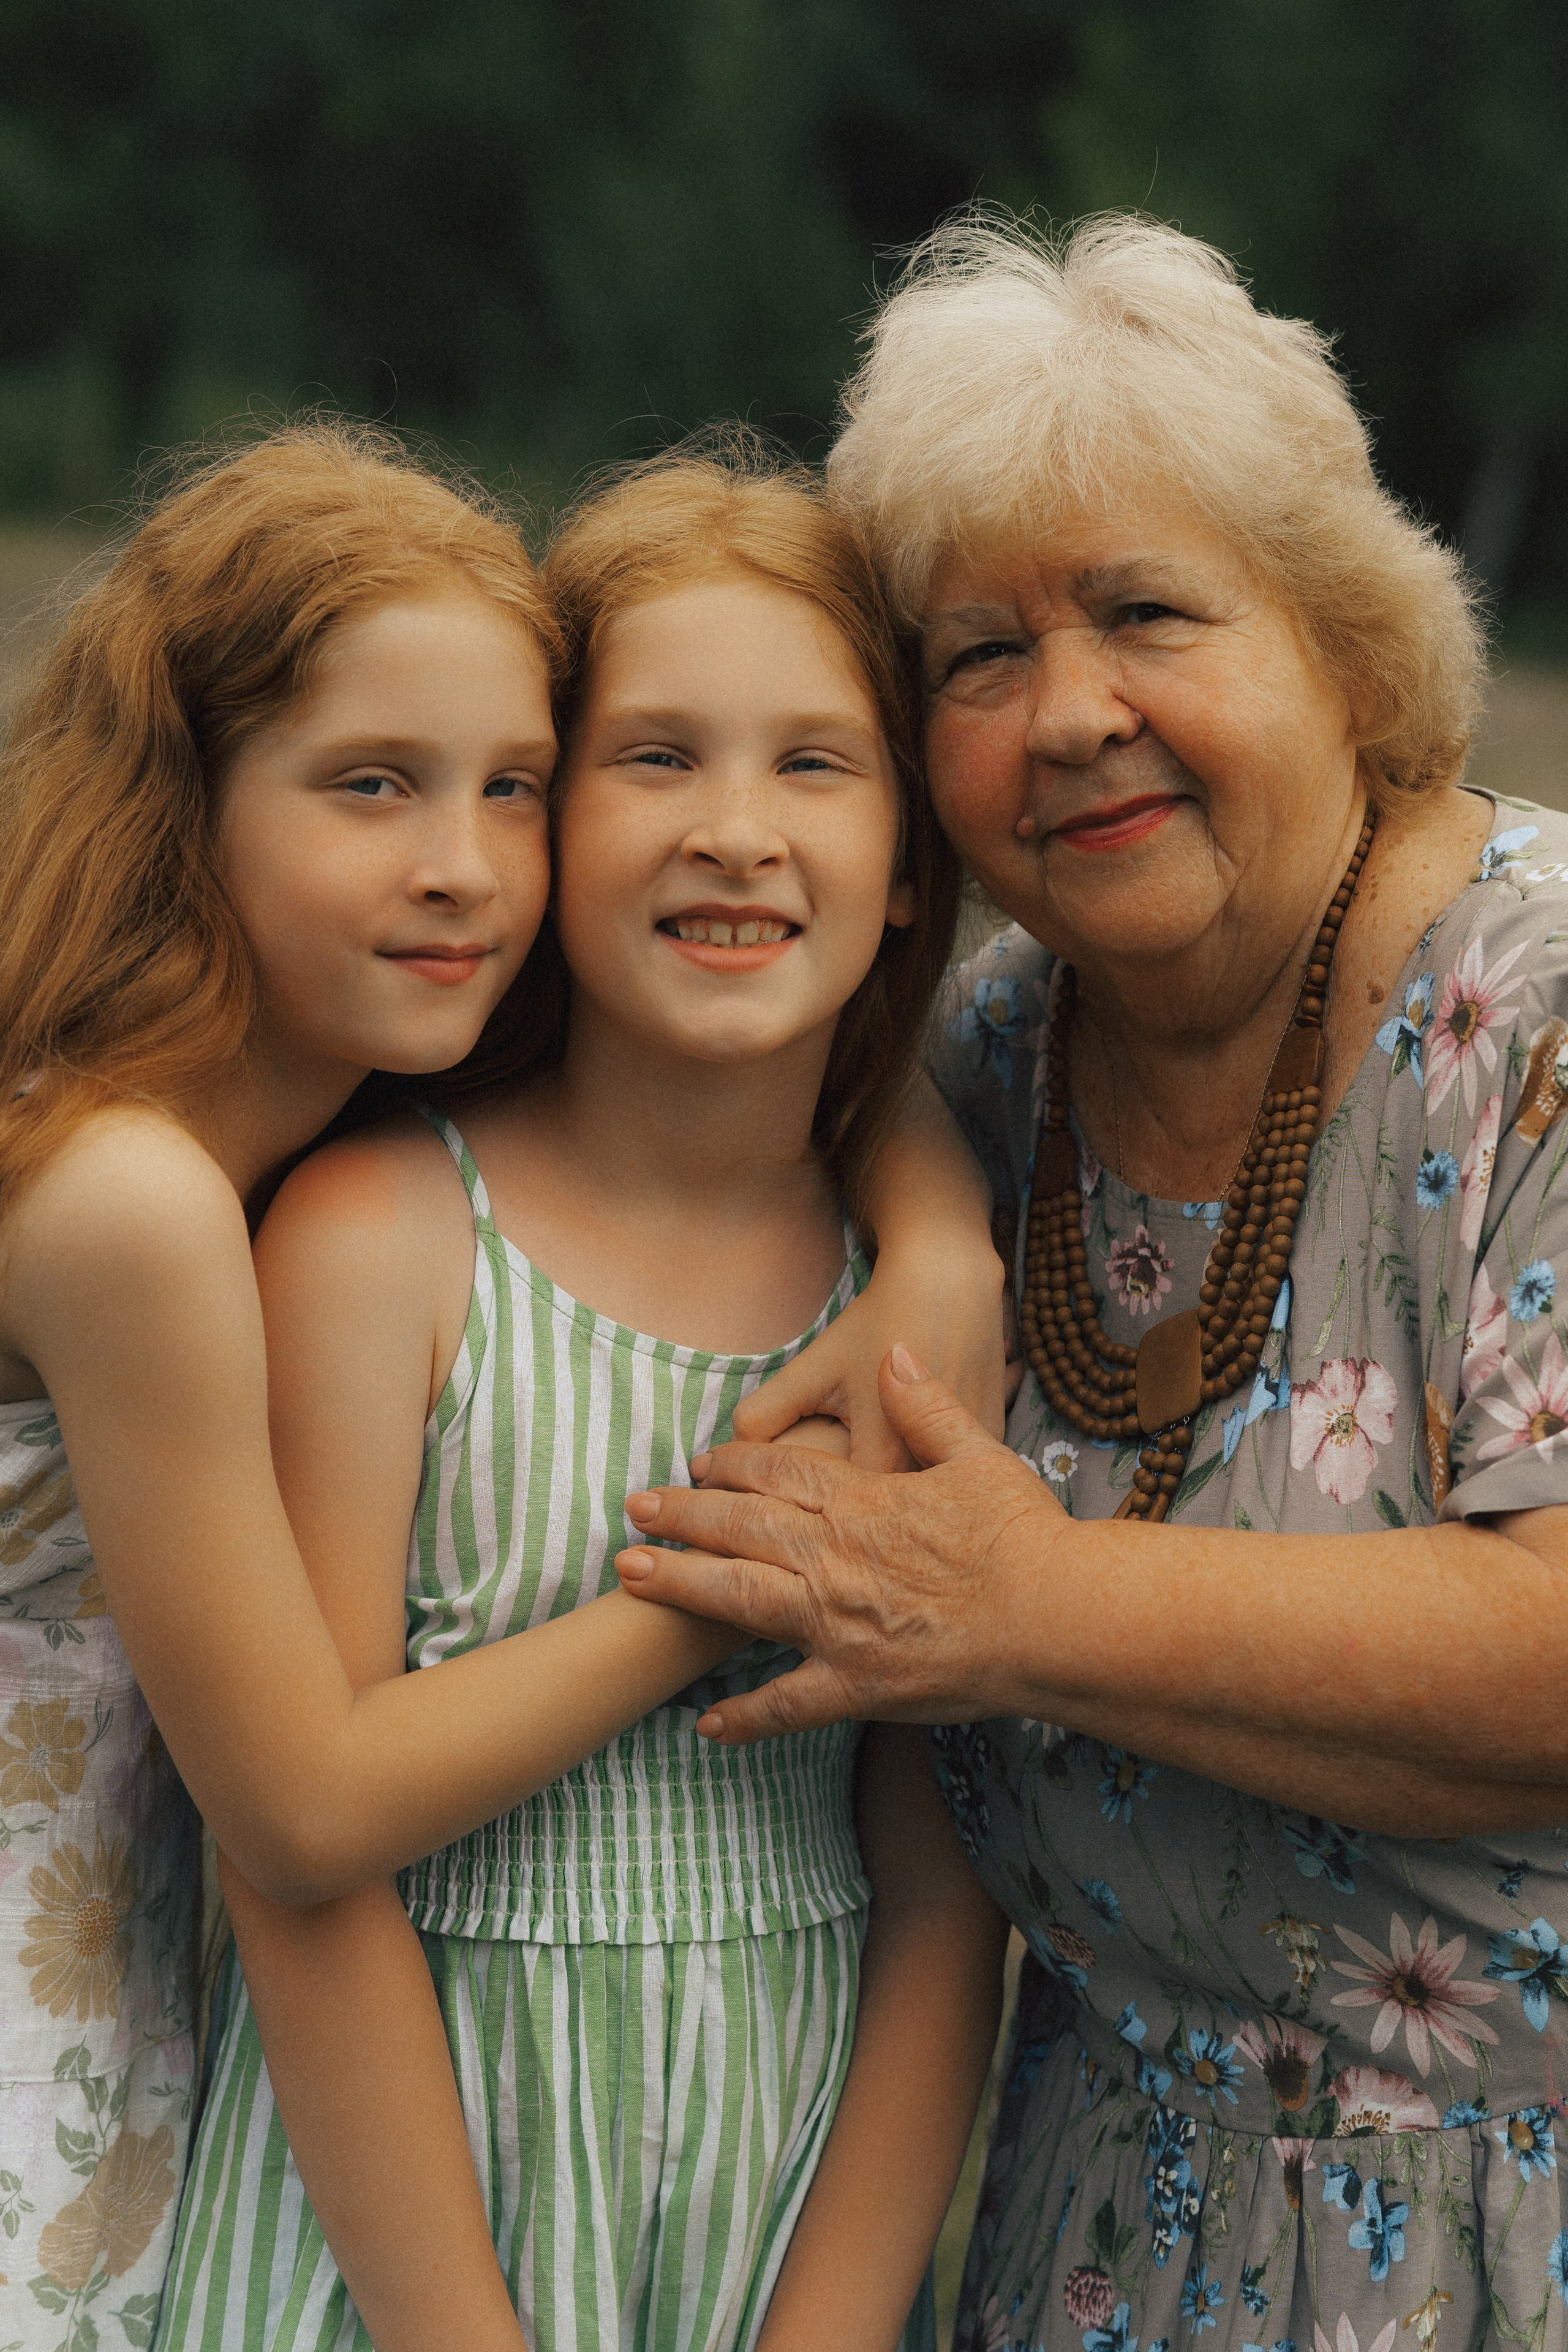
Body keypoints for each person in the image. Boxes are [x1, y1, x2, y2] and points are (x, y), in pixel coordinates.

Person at [614, 217, 1568, 2351]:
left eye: (1147, 613)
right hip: (1086, 2248)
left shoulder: (1540, 1007)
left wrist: (1019, 1606)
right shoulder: (978, 1069)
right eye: (974, 659)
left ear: (1339, 640)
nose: (1068, 718)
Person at [0, 422, 992, 2348]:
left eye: (512, 787)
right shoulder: (157, 1201)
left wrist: (938, 1235)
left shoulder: (306, 1117)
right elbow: (300, 1813)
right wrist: (767, 1568)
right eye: (371, 784)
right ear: (182, 803)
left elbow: (802, 1062)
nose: (459, 866)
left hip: (176, 2072)